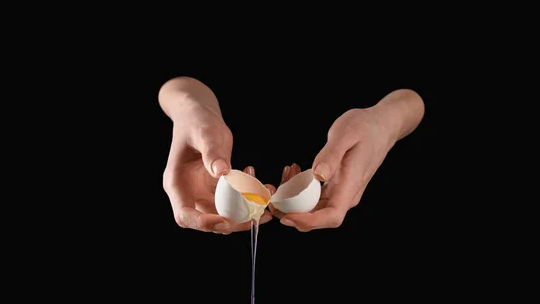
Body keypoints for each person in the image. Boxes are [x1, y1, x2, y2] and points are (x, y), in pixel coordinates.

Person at [158, 76, 425, 234]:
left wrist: (384, 123)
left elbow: (414, 97)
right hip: (208, 199)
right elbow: (174, 85)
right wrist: (189, 108)